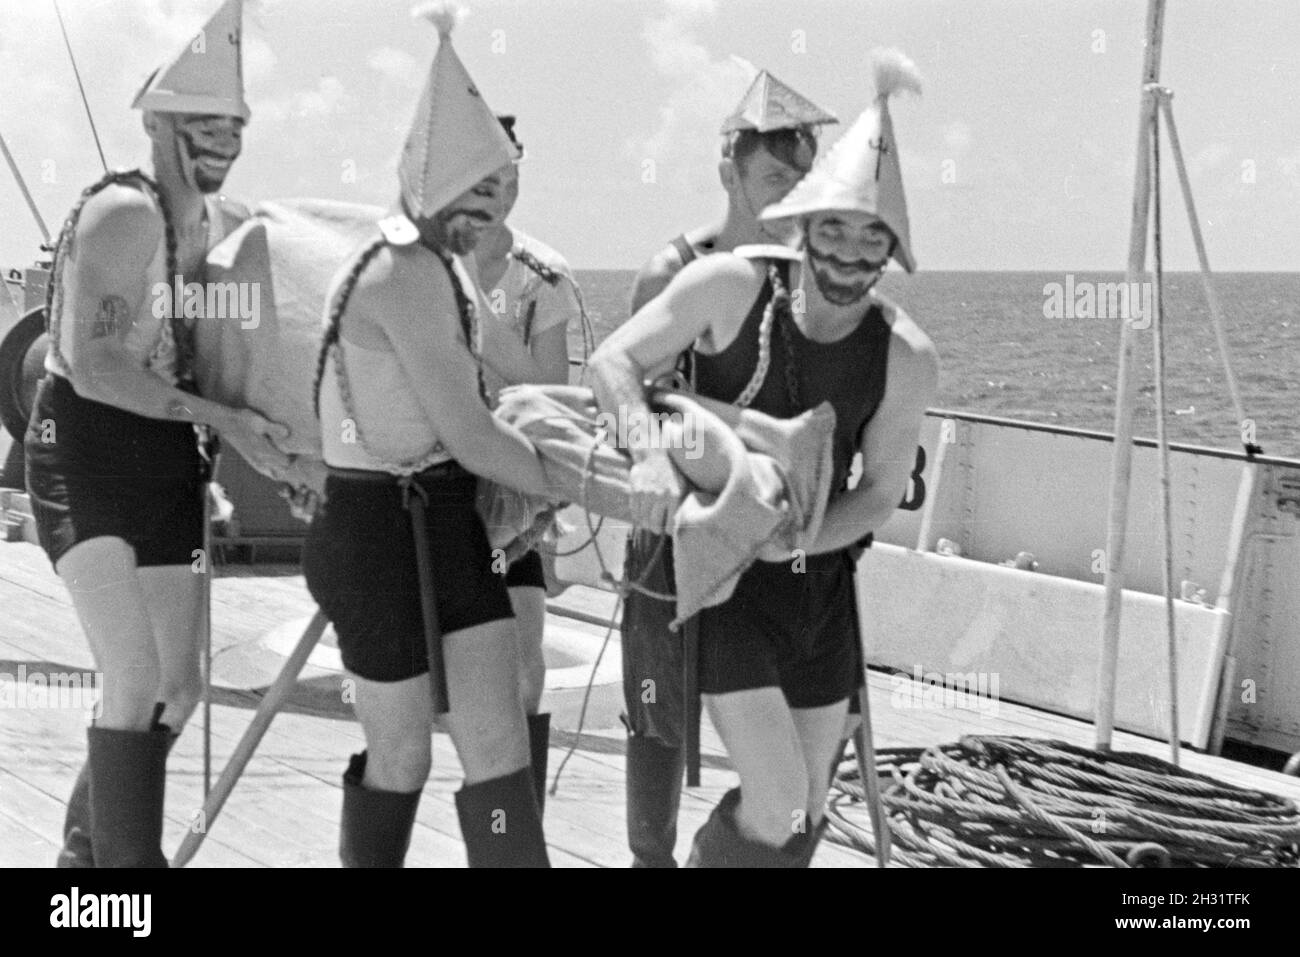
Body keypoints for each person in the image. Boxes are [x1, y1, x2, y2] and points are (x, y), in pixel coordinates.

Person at [591, 50, 937, 867]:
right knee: (759, 783)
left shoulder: (907, 356)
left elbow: (882, 489)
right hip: (714, 572)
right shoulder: (719, 283)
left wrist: (797, 543)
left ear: (892, 248)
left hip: (817, 587)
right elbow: (615, 367)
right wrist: (647, 451)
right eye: (836, 229)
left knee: (803, 810)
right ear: (807, 228)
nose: (852, 252)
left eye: (872, 236)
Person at [28, 0, 295, 867]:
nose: (220, 139)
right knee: (133, 680)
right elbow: (97, 365)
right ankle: (117, 894)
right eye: (203, 122)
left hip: (164, 460)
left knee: (176, 688)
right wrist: (226, 420)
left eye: (233, 125)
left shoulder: (219, 228)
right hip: (83, 450)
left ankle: (82, 857)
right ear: (154, 121)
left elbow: (219, 352)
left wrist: (273, 448)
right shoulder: (125, 214)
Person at [302, 5, 554, 867]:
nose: (485, 209)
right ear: (421, 176)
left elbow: (513, 383)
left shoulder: (442, 269)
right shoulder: (402, 273)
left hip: (447, 521)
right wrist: (600, 481)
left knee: (498, 756)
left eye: (497, 189)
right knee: (401, 755)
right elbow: (477, 436)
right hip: (376, 529)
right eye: (469, 190)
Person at [620, 69, 838, 868]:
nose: (793, 192)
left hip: (779, 552)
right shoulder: (676, 269)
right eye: (777, 175)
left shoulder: (816, 286)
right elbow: (628, 399)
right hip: (678, 535)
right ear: (730, 173)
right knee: (657, 716)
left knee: (800, 767)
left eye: (805, 178)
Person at [471, 114, 587, 815]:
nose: (500, 191)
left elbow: (555, 401)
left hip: (505, 489)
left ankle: (516, 831)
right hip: (422, 482)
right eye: (484, 177)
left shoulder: (542, 276)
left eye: (510, 176)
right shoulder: (407, 267)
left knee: (521, 665)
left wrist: (543, 507)